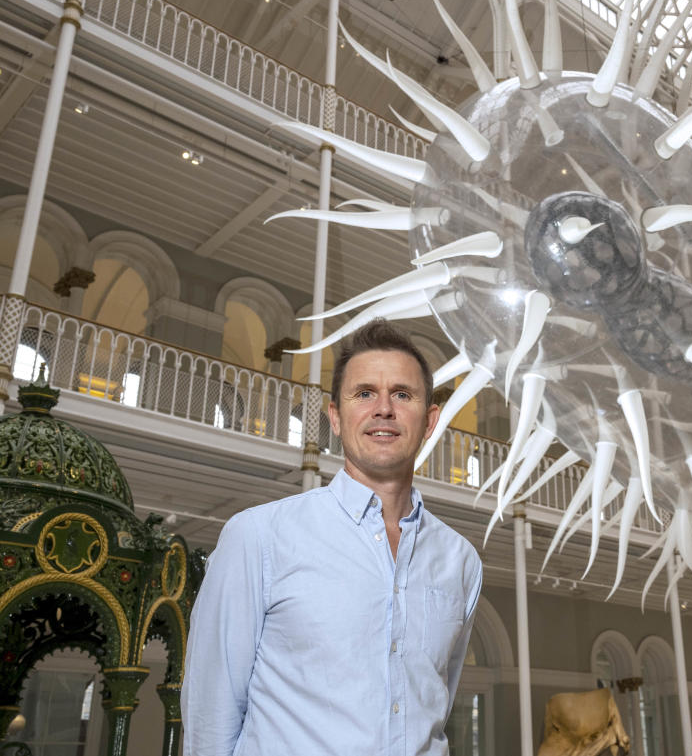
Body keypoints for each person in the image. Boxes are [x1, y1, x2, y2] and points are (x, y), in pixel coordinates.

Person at [182, 319, 482, 755]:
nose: (384, 409)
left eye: (402, 394)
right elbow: (211, 716)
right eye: (364, 394)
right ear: (336, 418)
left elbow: (436, 702)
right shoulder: (259, 538)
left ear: (429, 420)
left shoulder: (461, 561)